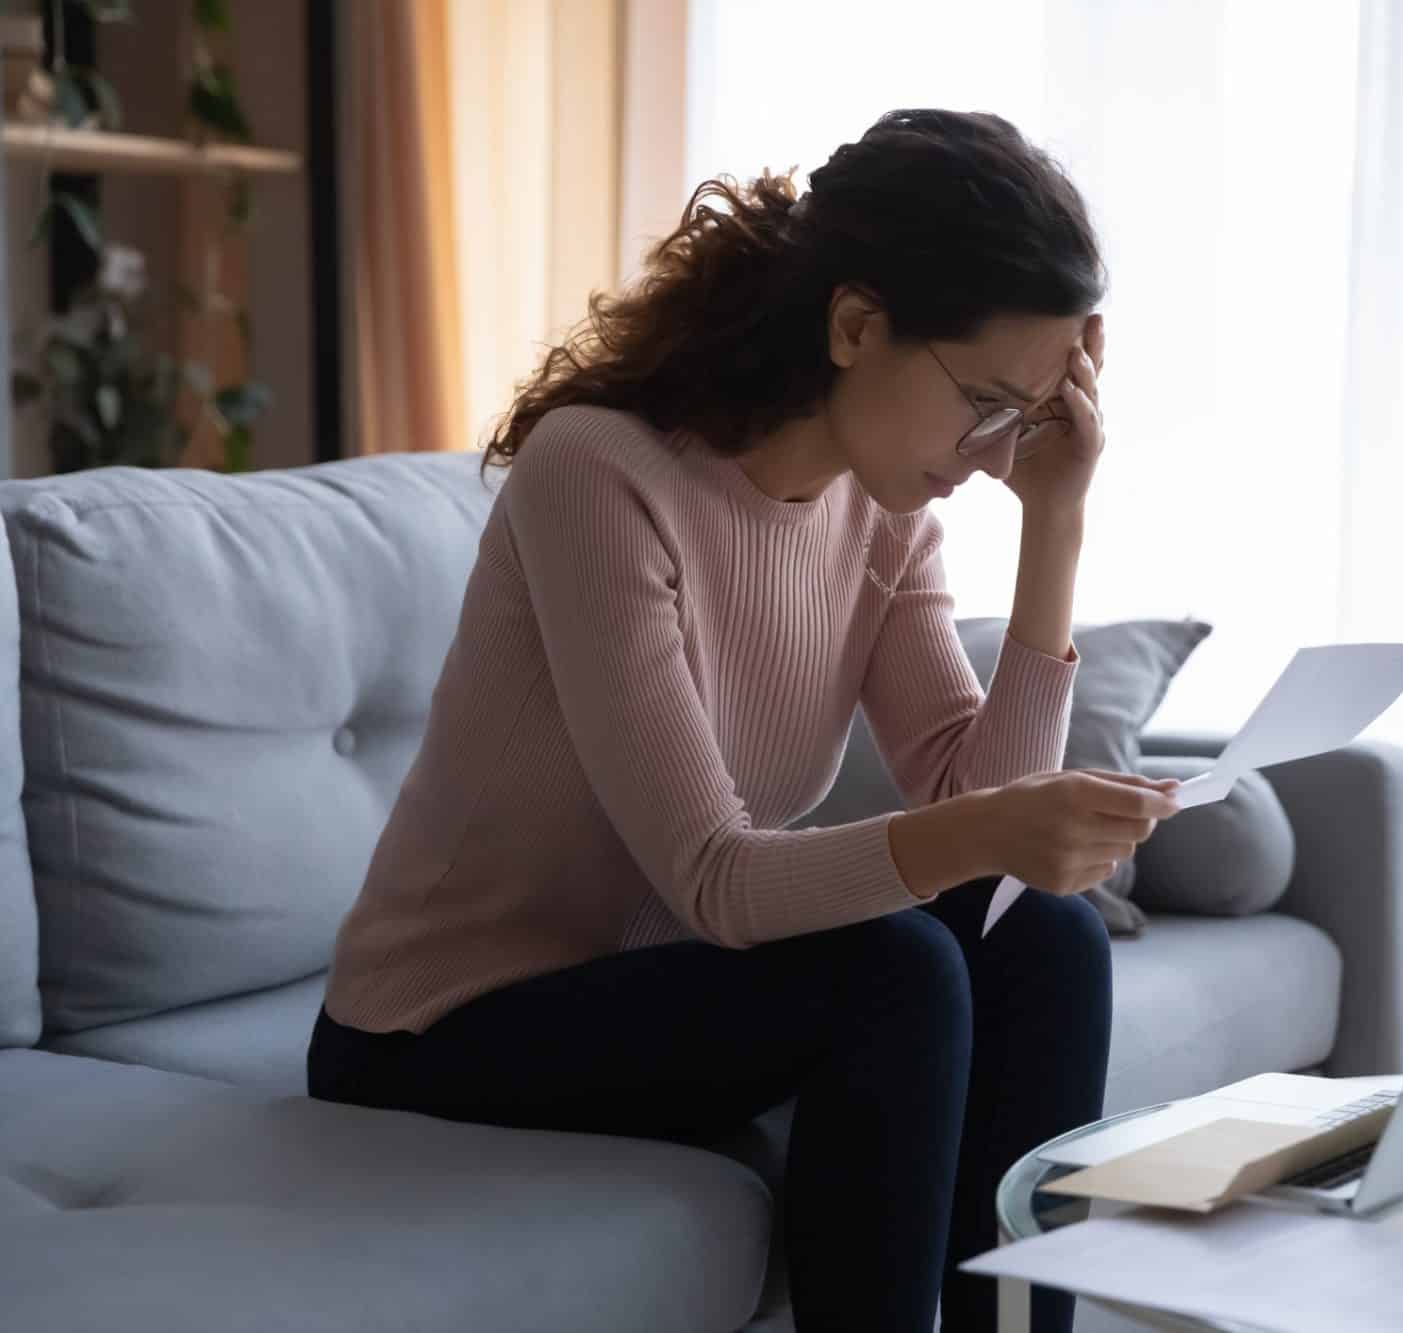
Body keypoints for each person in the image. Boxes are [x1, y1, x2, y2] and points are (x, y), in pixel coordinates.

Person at [306, 108, 1180, 1332]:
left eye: (1022, 424)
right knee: (893, 968)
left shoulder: (885, 524)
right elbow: (714, 879)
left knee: (1044, 937)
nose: (993, 459)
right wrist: (995, 832)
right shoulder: (600, 477)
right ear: (854, 325)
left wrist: (1056, 522)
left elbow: (974, 838)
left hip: (667, 992)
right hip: (440, 1028)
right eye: (986, 405)